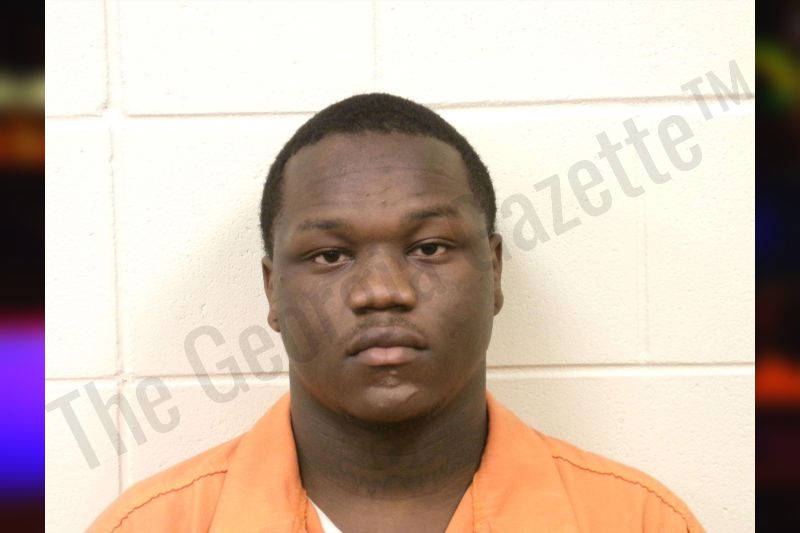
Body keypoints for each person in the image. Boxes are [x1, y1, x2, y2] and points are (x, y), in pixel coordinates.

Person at [88, 93, 704, 533]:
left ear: (494, 272)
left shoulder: (639, 522)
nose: (382, 291)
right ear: (273, 292)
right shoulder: (150, 526)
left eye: (429, 248)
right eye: (330, 255)